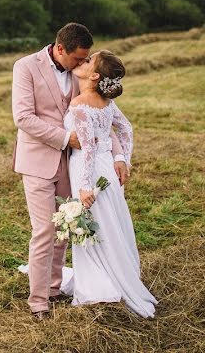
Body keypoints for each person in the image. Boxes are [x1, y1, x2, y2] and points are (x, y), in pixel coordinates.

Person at [11, 23, 128, 320]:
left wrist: (118, 155)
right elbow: (23, 118)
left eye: (85, 60)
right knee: (44, 230)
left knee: (66, 226)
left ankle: (53, 287)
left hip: (73, 164)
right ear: (60, 48)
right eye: (77, 59)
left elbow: (101, 115)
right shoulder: (25, 67)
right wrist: (66, 138)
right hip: (38, 161)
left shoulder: (79, 74)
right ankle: (38, 302)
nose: (82, 65)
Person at [59, 49, 157, 318]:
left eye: (89, 60)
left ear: (95, 75)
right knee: (110, 224)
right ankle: (117, 275)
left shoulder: (80, 104)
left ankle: (99, 284)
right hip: (108, 172)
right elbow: (126, 129)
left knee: (93, 227)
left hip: (88, 169)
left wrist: (84, 186)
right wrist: (123, 158)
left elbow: (87, 146)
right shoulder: (105, 103)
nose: (84, 59)